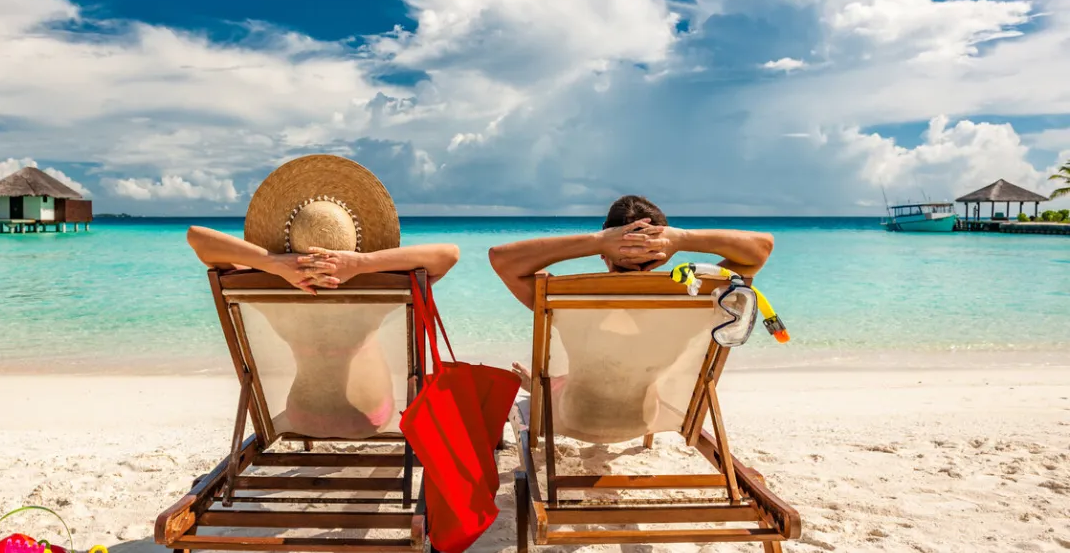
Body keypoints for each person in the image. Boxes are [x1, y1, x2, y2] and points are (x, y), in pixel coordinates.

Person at [187, 155, 459, 437]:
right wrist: (360, 264)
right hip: (370, 419)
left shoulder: (266, 291)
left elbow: (197, 238)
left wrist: (275, 264)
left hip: (302, 417)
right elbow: (449, 255)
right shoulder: (381, 290)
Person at [488, 194, 775, 408]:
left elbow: (502, 260)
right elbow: (760, 251)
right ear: (664, 253)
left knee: (579, 379)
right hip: (646, 415)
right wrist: (682, 238)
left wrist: (598, 241)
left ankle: (541, 389)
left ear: (604, 252)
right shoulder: (692, 297)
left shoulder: (564, 298)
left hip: (577, 413)